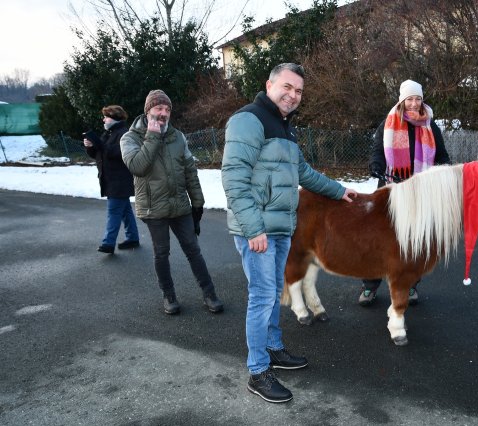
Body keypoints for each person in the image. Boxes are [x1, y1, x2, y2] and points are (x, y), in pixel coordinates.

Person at [221, 63, 358, 404]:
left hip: (281, 228)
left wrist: (338, 190)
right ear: (269, 84)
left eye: (298, 91)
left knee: (272, 293)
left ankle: (273, 348)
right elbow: (234, 179)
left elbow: (303, 173)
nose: (293, 95)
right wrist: (253, 228)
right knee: (263, 296)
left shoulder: (285, 128)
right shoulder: (248, 120)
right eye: (287, 87)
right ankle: (258, 371)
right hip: (258, 230)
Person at [120, 90, 223, 316]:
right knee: (161, 253)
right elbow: (138, 166)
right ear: (148, 112)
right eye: (159, 109)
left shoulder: (178, 137)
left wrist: (197, 203)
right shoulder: (130, 138)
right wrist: (153, 135)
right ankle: (169, 296)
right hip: (153, 208)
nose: (164, 113)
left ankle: (209, 293)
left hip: (179, 205)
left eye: (167, 109)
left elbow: (189, 171)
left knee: (193, 250)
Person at [359, 79, 451, 307]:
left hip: (420, 191)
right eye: (409, 98)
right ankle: (370, 286)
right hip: (391, 187)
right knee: (379, 239)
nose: (413, 103)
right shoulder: (389, 122)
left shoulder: (430, 125)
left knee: (414, 242)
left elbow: (441, 155)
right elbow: (377, 149)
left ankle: (409, 286)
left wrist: (444, 167)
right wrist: (376, 165)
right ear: (402, 100)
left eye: (417, 98)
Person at [84, 105, 140, 254]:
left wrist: (99, 144)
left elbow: (117, 153)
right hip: (111, 180)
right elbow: (100, 155)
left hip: (120, 180)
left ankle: (108, 243)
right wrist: (90, 147)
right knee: (125, 211)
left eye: (106, 117)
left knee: (114, 211)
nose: (103, 119)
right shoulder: (108, 133)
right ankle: (133, 238)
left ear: (114, 118)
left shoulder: (124, 134)